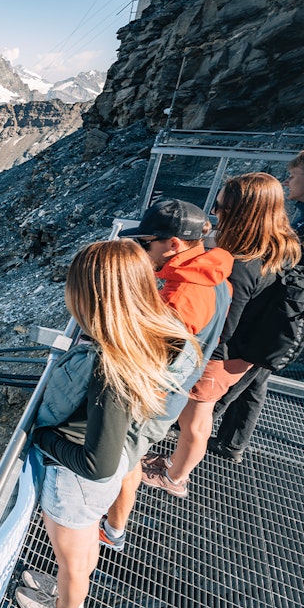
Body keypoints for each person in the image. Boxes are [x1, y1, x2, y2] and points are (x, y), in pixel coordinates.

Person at [15, 240, 201, 608]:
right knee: (84, 543)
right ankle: (70, 592)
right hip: (113, 464)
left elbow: (95, 464)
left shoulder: (114, 365)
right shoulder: (166, 333)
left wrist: (40, 437)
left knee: (73, 556)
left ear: (93, 299)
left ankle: (67, 607)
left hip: (76, 480)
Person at [140, 173, 301, 496]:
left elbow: (224, 325)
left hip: (222, 356)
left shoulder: (242, 264)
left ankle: (175, 478)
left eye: (221, 207)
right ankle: (175, 466)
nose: (215, 214)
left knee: (196, 422)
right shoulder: (279, 248)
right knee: (197, 420)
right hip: (248, 350)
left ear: (243, 212)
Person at [97, 200, 232, 549]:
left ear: (173, 244)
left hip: (153, 398)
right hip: (175, 389)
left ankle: (112, 531)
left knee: (124, 460)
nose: (142, 251)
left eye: (147, 243)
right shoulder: (213, 276)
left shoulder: (182, 295)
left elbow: (152, 358)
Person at [211, 147, 304, 460]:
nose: (288, 182)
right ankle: (230, 444)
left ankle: (189, 441)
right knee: (253, 382)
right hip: (275, 316)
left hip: (277, 318)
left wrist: (271, 334)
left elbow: (303, 285)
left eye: (293, 176)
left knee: (230, 384)